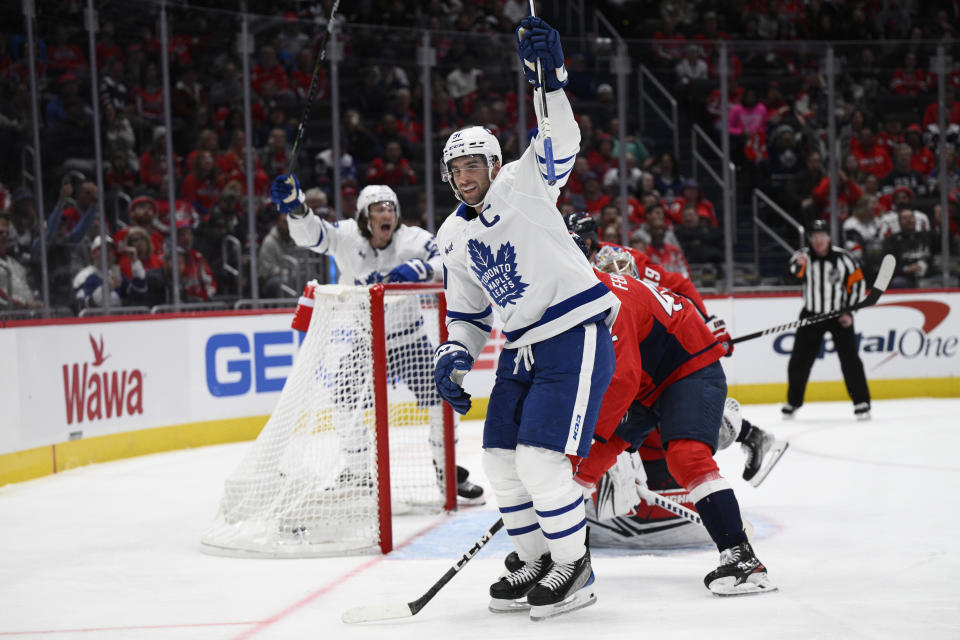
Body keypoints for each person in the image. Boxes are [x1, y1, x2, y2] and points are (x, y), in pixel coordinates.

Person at [430, 17, 620, 621]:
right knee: (500, 462)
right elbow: (467, 313)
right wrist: (455, 354)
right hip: (520, 347)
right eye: (456, 170)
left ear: (493, 163)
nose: (466, 178)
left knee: (541, 460)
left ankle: (577, 565)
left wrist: (553, 78)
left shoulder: (524, 183)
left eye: (473, 166)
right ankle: (537, 559)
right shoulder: (453, 235)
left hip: (571, 329)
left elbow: (561, 134)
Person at [569, 244, 777, 595]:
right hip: (649, 381)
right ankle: (561, 557)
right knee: (584, 466)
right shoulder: (597, 293)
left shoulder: (606, 295)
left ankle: (742, 559)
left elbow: (622, 379)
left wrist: (592, 433)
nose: (619, 270)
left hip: (688, 372)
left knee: (686, 456)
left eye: (624, 265)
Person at [266, 180, 484, 505]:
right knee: (343, 399)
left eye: (391, 208)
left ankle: (446, 471)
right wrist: (298, 208)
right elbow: (312, 235)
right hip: (365, 342)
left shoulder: (413, 239)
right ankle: (358, 474)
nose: (387, 214)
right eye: (379, 209)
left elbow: (453, 260)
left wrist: (424, 267)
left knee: (444, 396)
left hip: (410, 340)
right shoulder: (345, 235)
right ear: (363, 217)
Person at [783, 219, 871, 420]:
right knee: (799, 360)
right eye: (814, 236)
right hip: (812, 314)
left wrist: (850, 313)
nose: (818, 240)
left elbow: (857, 285)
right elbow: (790, 276)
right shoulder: (801, 256)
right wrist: (798, 267)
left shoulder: (845, 258)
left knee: (850, 360)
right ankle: (793, 402)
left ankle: (862, 402)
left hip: (839, 315)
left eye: (822, 236)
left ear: (829, 238)